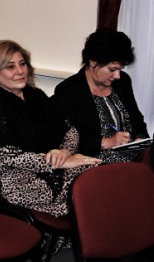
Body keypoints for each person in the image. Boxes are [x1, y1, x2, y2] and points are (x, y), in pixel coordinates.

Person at [0, 40, 99, 218]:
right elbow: (10, 157)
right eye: (10, 67)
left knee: (98, 175)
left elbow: (70, 130)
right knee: (89, 185)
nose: (20, 71)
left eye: (22, 64)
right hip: (18, 180)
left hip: (51, 167)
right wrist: (61, 162)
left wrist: (64, 151)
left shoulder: (35, 96)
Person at [51, 29, 149, 164]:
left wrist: (140, 139)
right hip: (95, 162)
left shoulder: (123, 82)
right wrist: (107, 142)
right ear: (93, 61)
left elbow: (137, 119)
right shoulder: (69, 91)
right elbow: (63, 140)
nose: (117, 76)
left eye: (120, 69)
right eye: (112, 69)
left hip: (132, 158)